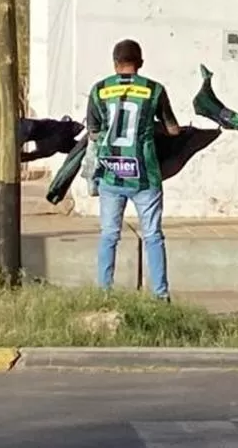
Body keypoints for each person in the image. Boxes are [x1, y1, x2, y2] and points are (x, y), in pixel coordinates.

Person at [85, 39, 181, 301]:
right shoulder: (154, 90)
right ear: (140, 63)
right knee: (152, 235)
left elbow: (93, 134)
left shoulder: (99, 90)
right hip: (145, 176)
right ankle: (160, 296)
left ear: (115, 63)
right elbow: (173, 129)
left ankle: (104, 294)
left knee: (108, 234)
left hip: (110, 174)